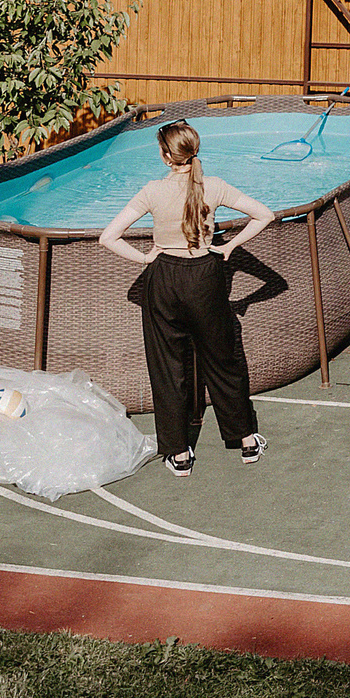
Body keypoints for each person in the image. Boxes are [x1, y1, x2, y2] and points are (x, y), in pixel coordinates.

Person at [99, 120, 276, 474]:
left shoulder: (151, 190)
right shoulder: (215, 187)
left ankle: (179, 453)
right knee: (223, 360)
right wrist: (230, 247)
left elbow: (109, 237)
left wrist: (147, 257)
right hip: (205, 276)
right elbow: (265, 215)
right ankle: (245, 440)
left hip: (163, 276)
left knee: (168, 367)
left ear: (167, 157)